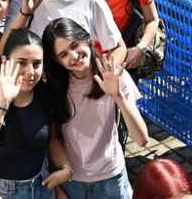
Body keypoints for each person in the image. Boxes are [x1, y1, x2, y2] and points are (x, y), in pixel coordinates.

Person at [40, 18, 149, 198]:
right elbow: (53, 139)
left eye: (75, 45)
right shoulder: (55, 88)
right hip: (73, 180)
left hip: (111, 177)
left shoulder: (113, 75)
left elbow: (142, 139)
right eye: (63, 54)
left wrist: (117, 96)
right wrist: (61, 176)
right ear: (57, 61)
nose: (74, 56)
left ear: (87, 39)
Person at [0, 28, 63, 198]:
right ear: (5, 61)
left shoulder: (46, 96)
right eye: (22, 62)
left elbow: (52, 138)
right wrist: (3, 102)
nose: (30, 72)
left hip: (41, 186)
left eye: (36, 64)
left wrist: (65, 167)